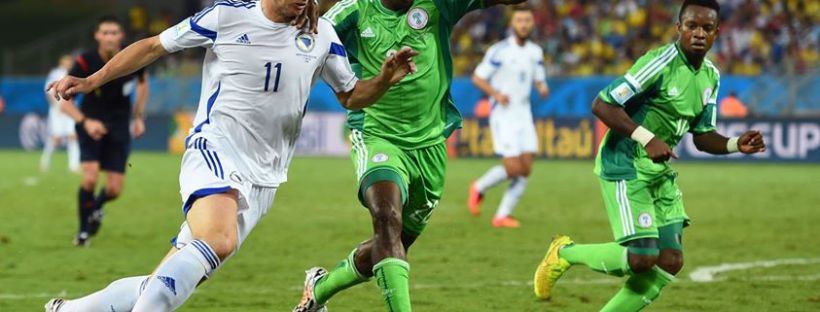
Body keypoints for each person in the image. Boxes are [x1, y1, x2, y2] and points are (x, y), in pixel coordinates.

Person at [44, 0, 416, 310]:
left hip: (265, 176)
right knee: (219, 240)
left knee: (169, 281)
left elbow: (350, 95)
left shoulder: (322, 34)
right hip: (215, 150)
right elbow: (155, 46)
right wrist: (91, 80)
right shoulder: (226, 16)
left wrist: (383, 80)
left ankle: (71, 310)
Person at [533, 1, 767, 311]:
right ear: (679, 28)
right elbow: (602, 105)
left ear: (716, 33)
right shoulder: (659, 63)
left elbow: (702, 136)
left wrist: (736, 144)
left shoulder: (711, 76)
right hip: (626, 162)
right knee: (642, 258)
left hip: (658, 170)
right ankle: (564, 253)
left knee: (670, 260)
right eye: (692, 26)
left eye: (707, 28)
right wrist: (646, 137)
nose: (699, 33)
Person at [294, 0, 527, 310]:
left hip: (430, 146)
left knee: (393, 243)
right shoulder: (354, 11)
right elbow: (302, 41)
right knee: (386, 218)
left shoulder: (439, 5)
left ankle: (320, 288)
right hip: (377, 134)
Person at [58, 16, 150, 246]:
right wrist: (86, 122)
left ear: (121, 36)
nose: (109, 37)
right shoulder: (85, 61)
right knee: (89, 179)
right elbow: (65, 104)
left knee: (114, 189)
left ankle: (97, 207)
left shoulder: (132, 56)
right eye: (105, 33)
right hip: (90, 123)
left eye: (114, 33)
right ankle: (83, 232)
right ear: (97, 36)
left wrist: (139, 117)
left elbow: (143, 82)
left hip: (119, 125)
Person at [467, 6, 549, 228]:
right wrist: (496, 94)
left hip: (524, 114)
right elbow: (477, 77)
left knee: (526, 170)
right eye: (519, 20)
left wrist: (542, 87)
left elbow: (538, 77)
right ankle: (479, 186)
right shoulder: (499, 50)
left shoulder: (535, 52)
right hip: (504, 116)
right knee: (513, 169)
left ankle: (502, 216)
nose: (523, 24)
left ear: (532, 23)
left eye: (527, 20)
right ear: (512, 24)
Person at [41, 55, 80, 173]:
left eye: (70, 61)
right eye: (67, 61)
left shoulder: (74, 73)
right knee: (56, 138)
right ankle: (45, 162)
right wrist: (57, 107)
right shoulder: (55, 73)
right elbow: (49, 92)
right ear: (61, 62)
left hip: (71, 109)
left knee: (73, 136)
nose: (69, 63)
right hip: (58, 110)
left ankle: (73, 166)